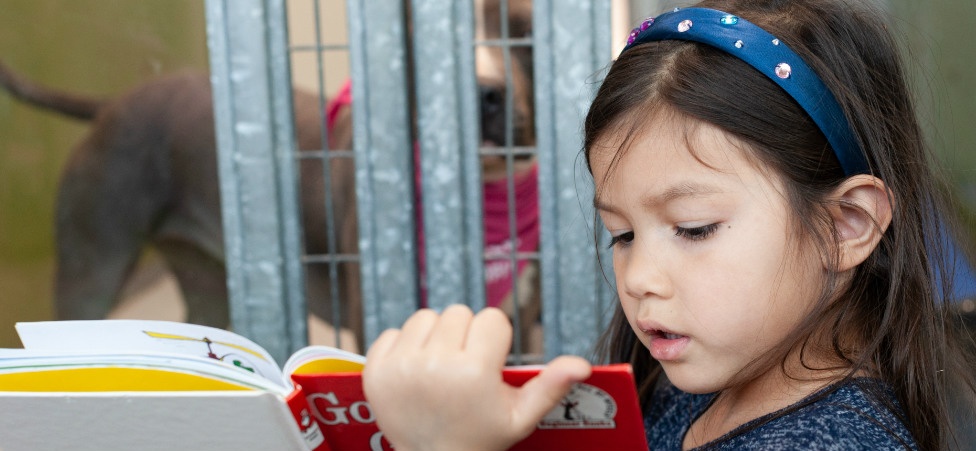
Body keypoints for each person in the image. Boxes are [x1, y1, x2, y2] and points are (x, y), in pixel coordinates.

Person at [361, 0, 976, 450]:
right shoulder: (698, 382)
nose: (640, 279)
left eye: (694, 227)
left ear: (845, 225)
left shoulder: (836, 442)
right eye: (623, 235)